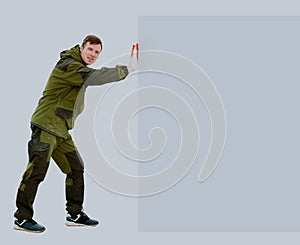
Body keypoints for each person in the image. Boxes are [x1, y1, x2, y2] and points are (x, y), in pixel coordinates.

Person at [13, 35, 135, 233]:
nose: (93, 55)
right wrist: (127, 69)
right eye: (90, 50)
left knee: (76, 168)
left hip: (60, 130)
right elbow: (95, 77)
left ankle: (75, 214)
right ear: (81, 48)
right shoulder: (68, 66)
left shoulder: (78, 69)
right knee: (36, 171)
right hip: (46, 126)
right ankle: (22, 217)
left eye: (97, 52)